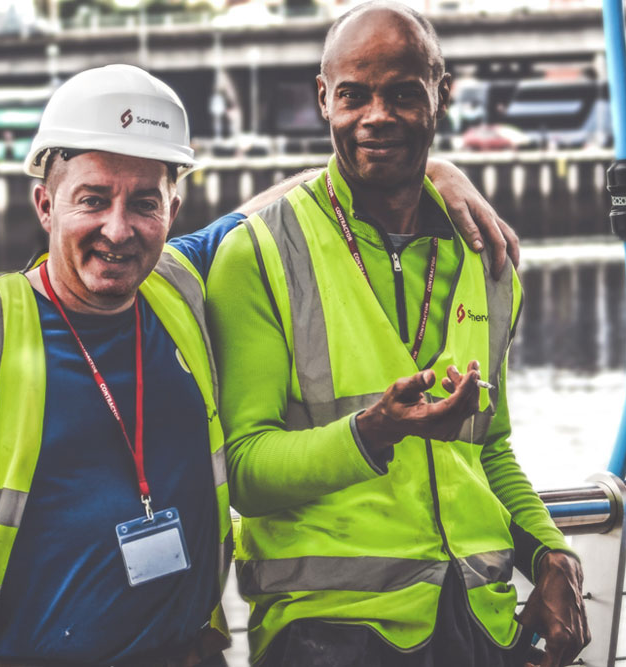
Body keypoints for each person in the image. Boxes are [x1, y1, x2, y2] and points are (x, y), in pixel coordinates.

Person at [0, 64, 515, 666]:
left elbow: (291, 199)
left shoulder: (181, 284)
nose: (119, 228)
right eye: (92, 198)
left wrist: (431, 166)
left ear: (173, 208)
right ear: (46, 201)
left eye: (144, 200)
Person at [203, 3, 590, 667]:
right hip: (331, 635)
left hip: (481, 625)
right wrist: (372, 432)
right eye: (354, 95)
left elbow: (489, 447)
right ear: (323, 99)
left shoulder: (486, 258)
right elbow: (244, 472)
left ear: (442, 96)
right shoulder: (260, 254)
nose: (376, 116)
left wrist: (552, 553)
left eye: (404, 94)